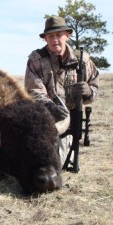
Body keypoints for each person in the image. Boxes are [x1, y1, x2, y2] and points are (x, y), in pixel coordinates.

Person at [24, 15, 99, 166]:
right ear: (45, 38)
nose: (54, 39)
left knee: (58, 161)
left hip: (72, 119)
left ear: (67, 36)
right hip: (45, 119)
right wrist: (52, 108)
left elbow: (95, 86)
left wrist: (88, 92)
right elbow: (34, 92)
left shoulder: (82, 60)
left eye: (58, 35)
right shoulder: (36, 59)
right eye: (50, 36)